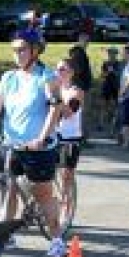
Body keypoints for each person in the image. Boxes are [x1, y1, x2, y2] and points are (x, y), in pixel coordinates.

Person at [0, 28, 66, 257]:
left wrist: (43, 137)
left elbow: (55, 108)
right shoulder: (9, 77)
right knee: (9, 189)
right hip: (12, 144)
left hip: (38, 148)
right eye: (14, 50)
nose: (17, 55)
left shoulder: (46, 77)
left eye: (22, 50)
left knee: (43, 195)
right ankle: (6, 236)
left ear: (35, 51)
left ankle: (57, 241)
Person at [55, 57, 84, 226]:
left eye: (62, 69)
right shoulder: (54, 89)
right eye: (57, 69)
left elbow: (69, 112)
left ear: (71, 73)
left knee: (66, 176)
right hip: (54, 136)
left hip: (71, 139)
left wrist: (56, 100)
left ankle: (66, 210)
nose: (58, 72)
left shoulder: (76, 92)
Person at [68, 32, 93, 141]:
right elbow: (77, 70)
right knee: (82, 113)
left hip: (81, 86)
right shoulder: (78, 53)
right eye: (86, 41)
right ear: (80, 40)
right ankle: (81, 137)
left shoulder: (78, 53)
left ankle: (81, 137)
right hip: (81, 87)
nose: (88, 43)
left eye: (88, 41)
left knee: (82, 112)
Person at [98, 47, 120, 134]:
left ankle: (114, 124)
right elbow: (102, 75)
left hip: (115, 87)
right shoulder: (105, 63)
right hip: (106, 87)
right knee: (103, 105)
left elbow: (120, 74)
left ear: (116, 54)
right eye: (110, 53)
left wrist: (113, 71)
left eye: (113, 53)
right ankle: (101, 124)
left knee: (115, 106)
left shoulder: (119, 64)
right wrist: (106, 73)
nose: (111, 55)